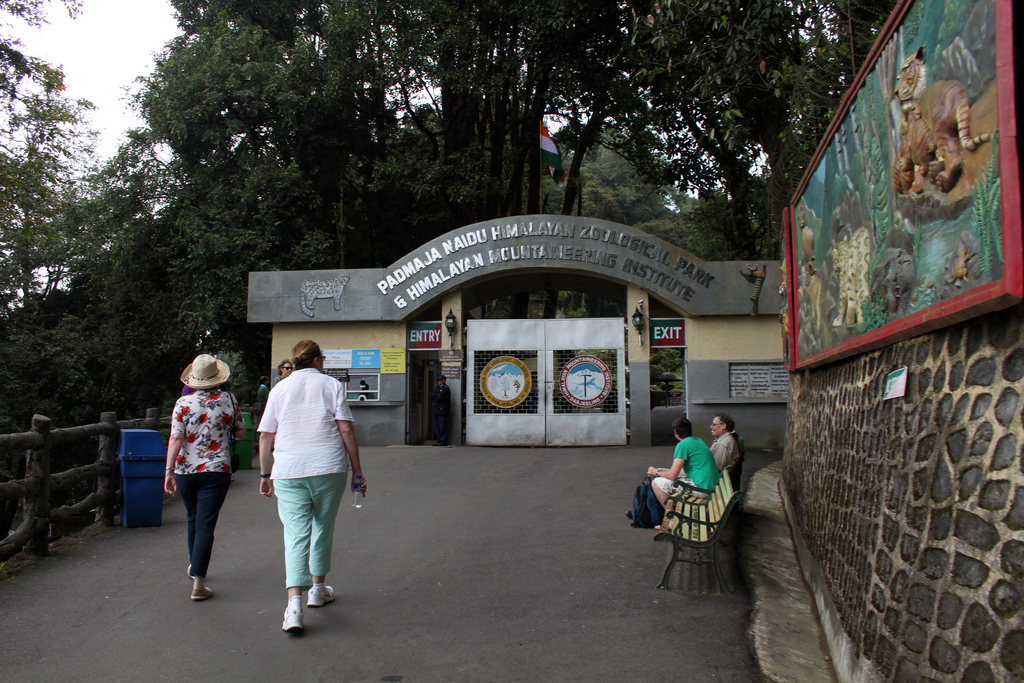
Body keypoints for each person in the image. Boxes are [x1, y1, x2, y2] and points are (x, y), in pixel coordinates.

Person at [257, 340, 366, 633]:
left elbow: (266, 436)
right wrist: (357, 470)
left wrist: (265, 475)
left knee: (294, 535)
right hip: (328, 467)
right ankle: (318, 589)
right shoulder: (331, 386)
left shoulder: (279, 388)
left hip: (288, 469)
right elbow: (345, 428)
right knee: (323, 526)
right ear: (317, 360)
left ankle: (294, 608)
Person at [164, 354, 244, 601]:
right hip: (216, 470)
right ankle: (198, 582)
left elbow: (176, 438)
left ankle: (194, 566)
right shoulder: (229, 400)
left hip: (185, 470)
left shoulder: (182, 403)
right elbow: (240, 431)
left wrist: (168, 471)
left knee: (192, 518)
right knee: (206, 524)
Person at [646, 417, 719, 528]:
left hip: (701, 489)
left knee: (657, 483)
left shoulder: (682, 445)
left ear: (675, 432)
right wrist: (663, 470)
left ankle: (673, 520)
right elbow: (684, 471)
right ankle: (675, 517)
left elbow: (672, 475)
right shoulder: (698, 441)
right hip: (710, 486)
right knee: (666, 480)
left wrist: (655, 472)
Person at [710, 412, 743, 492]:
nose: (711, 427)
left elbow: (717, 469)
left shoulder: (723, 444)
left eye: (714, 424)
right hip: (724, 483)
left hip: (716, 486)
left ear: (723, 426)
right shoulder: (728, 440)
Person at [430, 374, 451, 446]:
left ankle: (443, 440)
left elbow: (440, 397)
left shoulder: (445, 388)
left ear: (444, 381)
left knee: (442, 426)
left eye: (440, 380)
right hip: (436, 409)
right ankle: (438, 440)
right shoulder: (437, 388)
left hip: (442, 410)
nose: (439, 381)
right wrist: (436, 397)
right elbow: (432, 396)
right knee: (437, 426)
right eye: (438, 380)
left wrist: (436, 397)